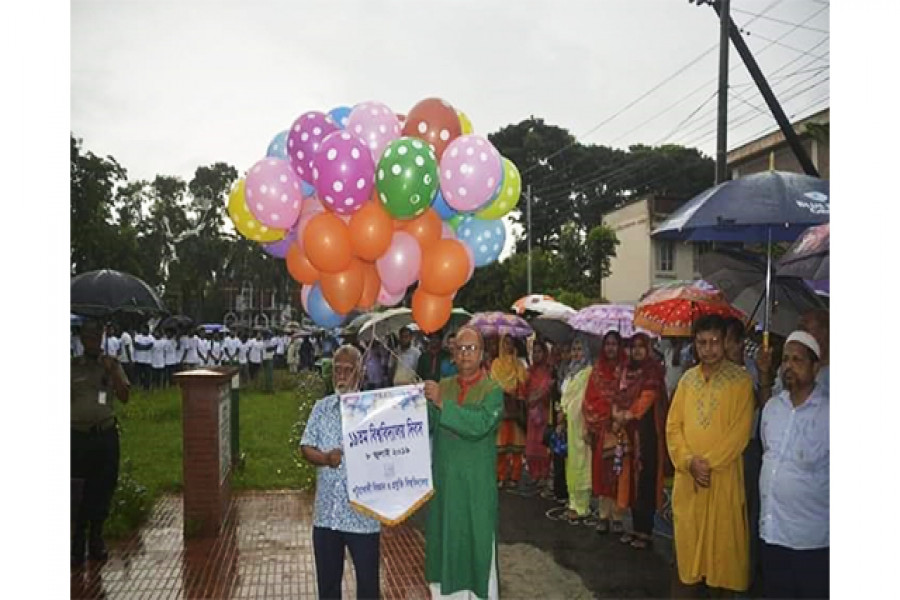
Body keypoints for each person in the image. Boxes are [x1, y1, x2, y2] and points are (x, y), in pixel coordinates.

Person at [666, 315, 755, 594]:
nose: (709, 348)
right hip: (690, 479)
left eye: (715, 341)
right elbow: (673, 426)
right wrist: (689, 461)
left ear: (724, 342)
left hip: (722, 478)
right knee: (690, 564)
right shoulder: (687, 381)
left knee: (723, 557)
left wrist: (708, 464)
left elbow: (739, 433)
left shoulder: (740, 382)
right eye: (702, 342)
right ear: (695, 345)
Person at [422, 325, 503, 600]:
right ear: (452, 354)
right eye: (460, 348)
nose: (466, 354)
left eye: (472, 348)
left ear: (482, 354)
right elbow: (429, 424)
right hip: (445, 488)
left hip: (476, 491)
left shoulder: (493, 390)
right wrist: (413, 403)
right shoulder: (443, 386)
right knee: (445, 547)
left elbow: (480, 424)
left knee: (477, 549)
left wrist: (443, 404)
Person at [300, 345, 381, 599]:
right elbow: (305, 446)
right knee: (328, 588)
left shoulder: (376, 410)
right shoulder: (321, 408)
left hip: (363, 517)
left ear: (361, 372)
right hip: (327, 517)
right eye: (337, 370)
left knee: (368, 588)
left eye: (348, 370)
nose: (342, 376)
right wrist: (324, 458)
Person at [759, 331, 829, 599]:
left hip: (812, 543)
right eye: (785, 359)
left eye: (797, 360)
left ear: (815, 367)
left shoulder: (828, 415)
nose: (788, 366)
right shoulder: (772, 408)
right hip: (772, 535)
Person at [71, 320, 130, 568]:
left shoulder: (112, 364)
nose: (93, 339)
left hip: (104, 435)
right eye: (88, 335)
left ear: (103, 336)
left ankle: (96, 537)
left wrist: (113, 372)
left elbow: (125, 396)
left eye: (97, 334)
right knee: (75, 491)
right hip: (77, 437)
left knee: (103, 487)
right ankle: (76, 542)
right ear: (82, 338)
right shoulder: (71, 367)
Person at [616, 332, 669, 550]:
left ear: (648, 349)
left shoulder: (652, 371)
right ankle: (634, 527)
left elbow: (645, 401)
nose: (636, 351)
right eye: (633, 346)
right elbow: (618, 395)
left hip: (647, 436)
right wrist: (618, 413)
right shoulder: (627, 370)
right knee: (629, 482)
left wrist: (626, 415)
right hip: (629, 434)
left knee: (644, 482)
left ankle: (645, 532)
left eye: (641, 346)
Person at [724, 316, 764, 592]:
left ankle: (744, 573)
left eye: (727, 341)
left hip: (747, 450)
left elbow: (761, 405)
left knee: (745, 512)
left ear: (740, 344)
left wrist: (761, 377)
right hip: (720, 452)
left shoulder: (751, 372)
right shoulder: (714, 373)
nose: (723, 347)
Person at [582, 330, 629, 534]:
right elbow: (589, 400)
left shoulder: (626, 370)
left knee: (619, 474)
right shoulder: (597, 371)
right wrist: (605, 413)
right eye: (608, 344)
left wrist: (618, 414)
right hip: (602, 431)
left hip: (621, 430)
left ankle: (618, 517)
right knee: (602, 472)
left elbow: (630, 397)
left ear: (619, 347)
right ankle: (603, 515)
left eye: (614, 344)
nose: (611, 348)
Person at [757, 308, 829, 404]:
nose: (800, 335)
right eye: (798, 329)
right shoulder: (788, 367)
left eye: (805, 329)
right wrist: (764, 373)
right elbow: (769, 405)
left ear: (825, 332)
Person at [559, 335, 594, 521]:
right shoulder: (571, 372)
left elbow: (587, 400)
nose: (576, 353)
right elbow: (565, 396)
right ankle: (573, 502)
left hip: (581, 424)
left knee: (582, 462)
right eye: (574, 349)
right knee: (570, 463)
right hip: (569, 423)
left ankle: (582, 506)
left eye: (580, 349)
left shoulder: (589, 372)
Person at [491, 334, 528, 489]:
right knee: (500, 447)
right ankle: (500, 475)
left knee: (517, 446)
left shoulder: (519, 364)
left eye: (511, 343)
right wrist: (505, 391)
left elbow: (524, 382)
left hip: (515, 408)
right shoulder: (496, 363)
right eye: (505, 343)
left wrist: (516, 388)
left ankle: (515, 476)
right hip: (501, 407)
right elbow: (493, 383)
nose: (508, 346)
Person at [523, 339, 553, 487]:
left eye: (539, 351)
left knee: (543, 444)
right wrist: (532, 397)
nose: (536, 355)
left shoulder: (549, 372)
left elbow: (549, 391)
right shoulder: (529, 372)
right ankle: (535, 474)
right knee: (532, 446)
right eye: (534, 352)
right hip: (532, 413)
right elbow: (523, 391)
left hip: (545, 412)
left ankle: (544, 474)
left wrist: (540, 394)